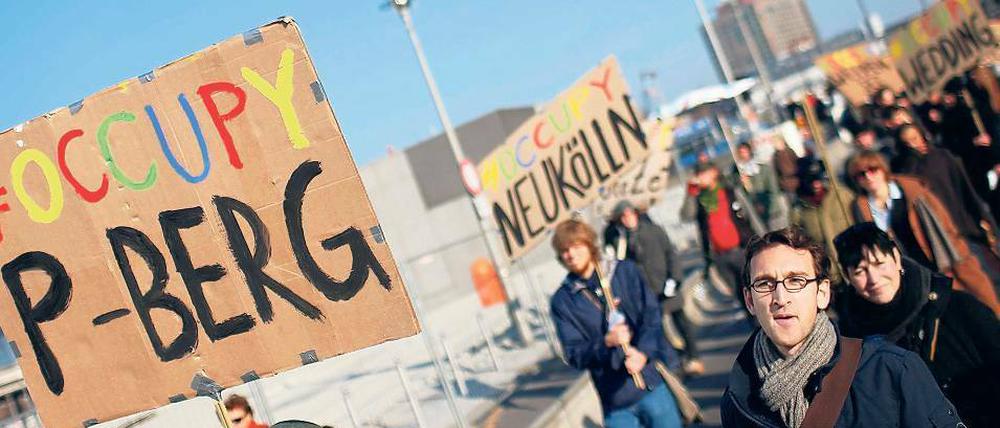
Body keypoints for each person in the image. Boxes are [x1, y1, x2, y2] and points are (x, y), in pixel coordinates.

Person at [720, 227, 962, 427]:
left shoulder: (892, 370)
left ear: (822, 293)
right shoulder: (739, 402)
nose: (781, 298)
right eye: (765, 284)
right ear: (750, 301)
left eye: (796, 280)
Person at [833, 223, 1000, 427]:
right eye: (860, 271)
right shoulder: (852, 342)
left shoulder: (955, 306)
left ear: (896, 258)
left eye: (879, 263)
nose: (874, 279)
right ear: (848, 277)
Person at [550, 219, 682, 427]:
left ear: (589, 244)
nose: (571, 255)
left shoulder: (623, 271)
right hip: (615, 400)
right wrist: (606, 342)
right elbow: (574, 353)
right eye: (564, 250)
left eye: (576, 246)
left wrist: (642, 353)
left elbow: (651, 316)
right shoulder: (563, 300)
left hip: (650, 383)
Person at [846, 150, 1000, 314]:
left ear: (882, 169)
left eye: (872, 170)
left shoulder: (911, 188)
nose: (868, 177)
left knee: (984, 303)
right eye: (861, 175)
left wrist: (957, 253)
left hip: (946, 256)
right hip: (913, 271)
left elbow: (945, 223)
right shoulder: (861, 208)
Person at [604, 201, 704, 376]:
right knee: (658, 330)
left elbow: (670, 253)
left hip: (665, 284)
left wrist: (674, 279)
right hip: (645, 293)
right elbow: (616, 264)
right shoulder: (620, 240)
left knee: (681, 322)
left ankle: (693, 356)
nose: (628, 219)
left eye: (630, 215)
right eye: (623, 217)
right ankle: (675, 362)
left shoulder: (653, 230)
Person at [893, 124, 1000, 286]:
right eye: (907, 143)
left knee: (989, 271)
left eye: (915, 139)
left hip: (965, 225)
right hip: (941, 233)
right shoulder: (905, 170)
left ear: (922, 136)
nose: (913, 145)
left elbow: (966, 189)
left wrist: (983, 218)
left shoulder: (942, 157)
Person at [681, 161, 753, 307]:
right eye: (698, 174)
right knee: (741, 296)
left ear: (714, 172)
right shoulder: (699, 199)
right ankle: (753, 320)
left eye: (703, 173)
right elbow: (686, 216)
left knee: (754, 287)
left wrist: (762, 240)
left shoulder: (729, 192)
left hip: (741, 250)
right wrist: (690, 194)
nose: (700, 177)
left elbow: (750, 215)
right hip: (720, 256)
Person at [788, 156, 854, 284]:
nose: (816, 184)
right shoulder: (798, 211)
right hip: (831, 276)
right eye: (810, 180)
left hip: (854, 265)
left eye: (818, 178)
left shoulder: (842, 196)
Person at [732, 142, 781, 229]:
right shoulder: (738, 173)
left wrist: (765, 205)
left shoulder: (763, 168)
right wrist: (740, 181)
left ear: (750, 151)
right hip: (755, 214)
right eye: (740, 153)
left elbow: (773, 190)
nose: (742, 155)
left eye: (744, 152)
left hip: (771, 211)